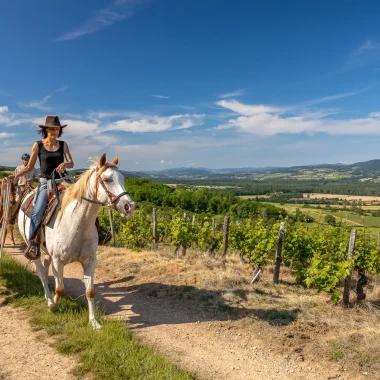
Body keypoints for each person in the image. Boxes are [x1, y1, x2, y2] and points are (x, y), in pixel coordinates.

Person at [8, 116, 74, 259]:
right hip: (46, 182)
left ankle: (98, 231)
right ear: (45, 129)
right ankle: (33, 242)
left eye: (57, 129)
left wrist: (65, 164)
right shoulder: (37, 145)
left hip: (62, 180)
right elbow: (29, 167)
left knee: (82, 198)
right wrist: (16, 176)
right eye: (52, 128)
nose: (55, 131)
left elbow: (71, 163)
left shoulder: (63, 145)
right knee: (37, 211)